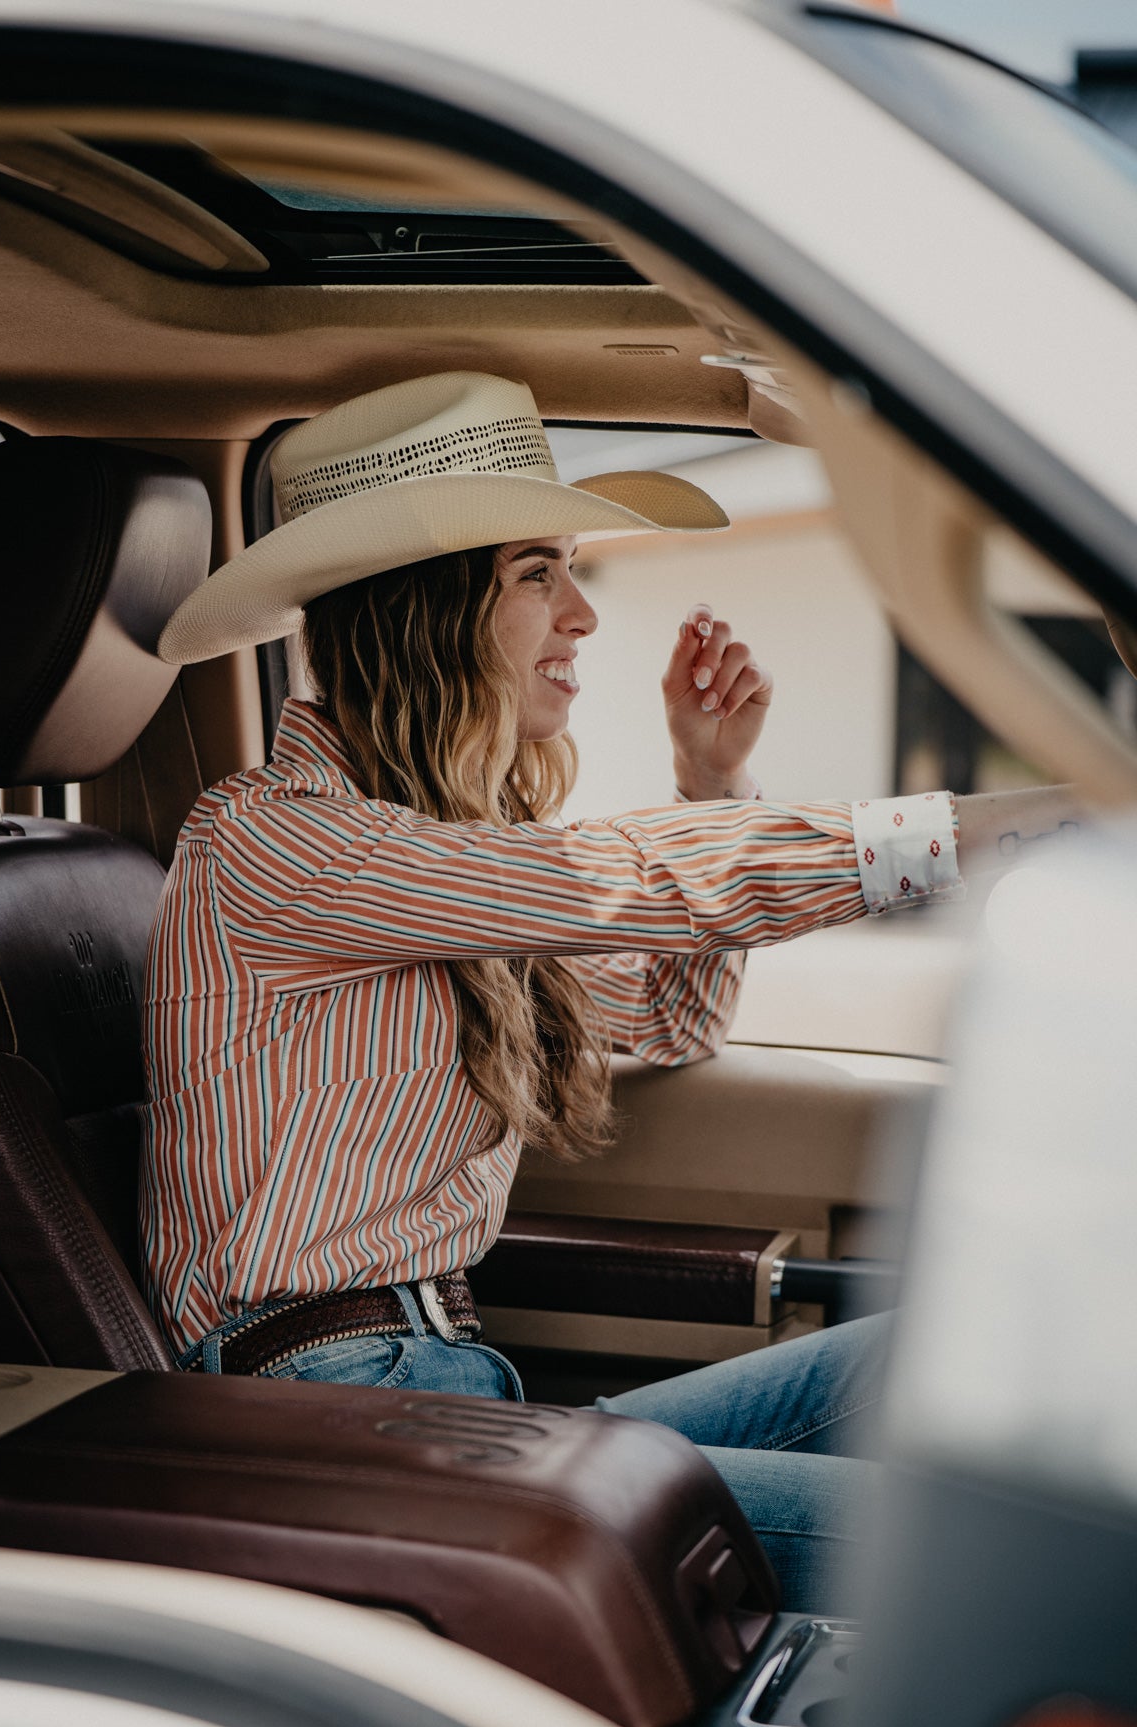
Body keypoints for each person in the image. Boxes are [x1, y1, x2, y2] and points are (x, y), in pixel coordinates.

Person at [142, 371, 1080, 1611]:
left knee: (950, 1345)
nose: (583, 615)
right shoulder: (274, 841)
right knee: (1015, 1547)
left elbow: (670, 1019)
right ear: (424, 610)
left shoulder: (436, 863)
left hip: (436, 1396)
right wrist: (1018, 825)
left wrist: (710, 782)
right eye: (538, 573)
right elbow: (619, 879)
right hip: (336, 1418)